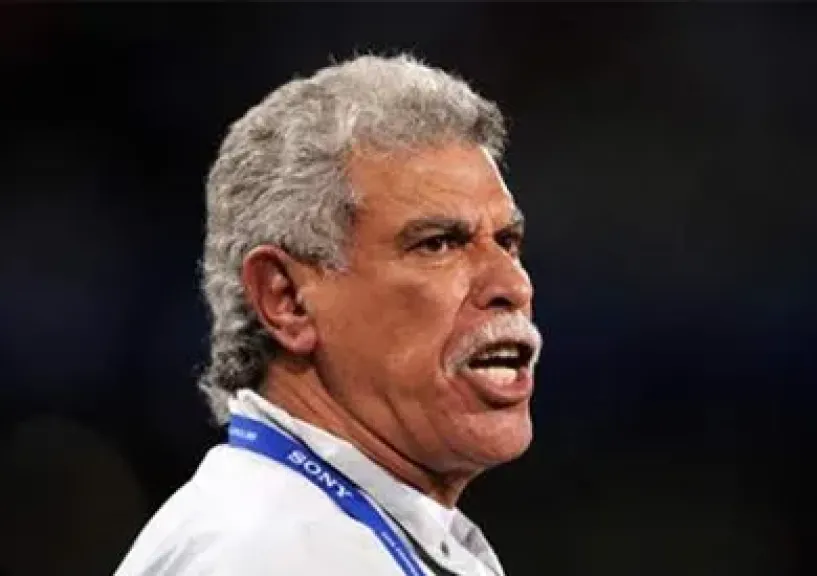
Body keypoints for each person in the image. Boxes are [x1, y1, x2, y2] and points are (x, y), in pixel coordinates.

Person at [115, 53, 542, 576]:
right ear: (287, 300)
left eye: (507, 242)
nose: (513, 285)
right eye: (438, 243)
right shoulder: (267, 553)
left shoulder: (331, 531)